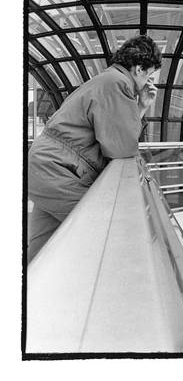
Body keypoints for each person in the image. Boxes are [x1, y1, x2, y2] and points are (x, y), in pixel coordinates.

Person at [26, 35, 162, 262]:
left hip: (46, 170)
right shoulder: (118, 84)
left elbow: (112, 130)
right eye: (149, 75)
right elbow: (122, 148)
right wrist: (138, 107)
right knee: (110, 230)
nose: (148, 81)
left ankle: (31, 296)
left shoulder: (104, 80)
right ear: (139, 68)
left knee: (41, 251)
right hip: (60, 172)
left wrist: (140, 106)